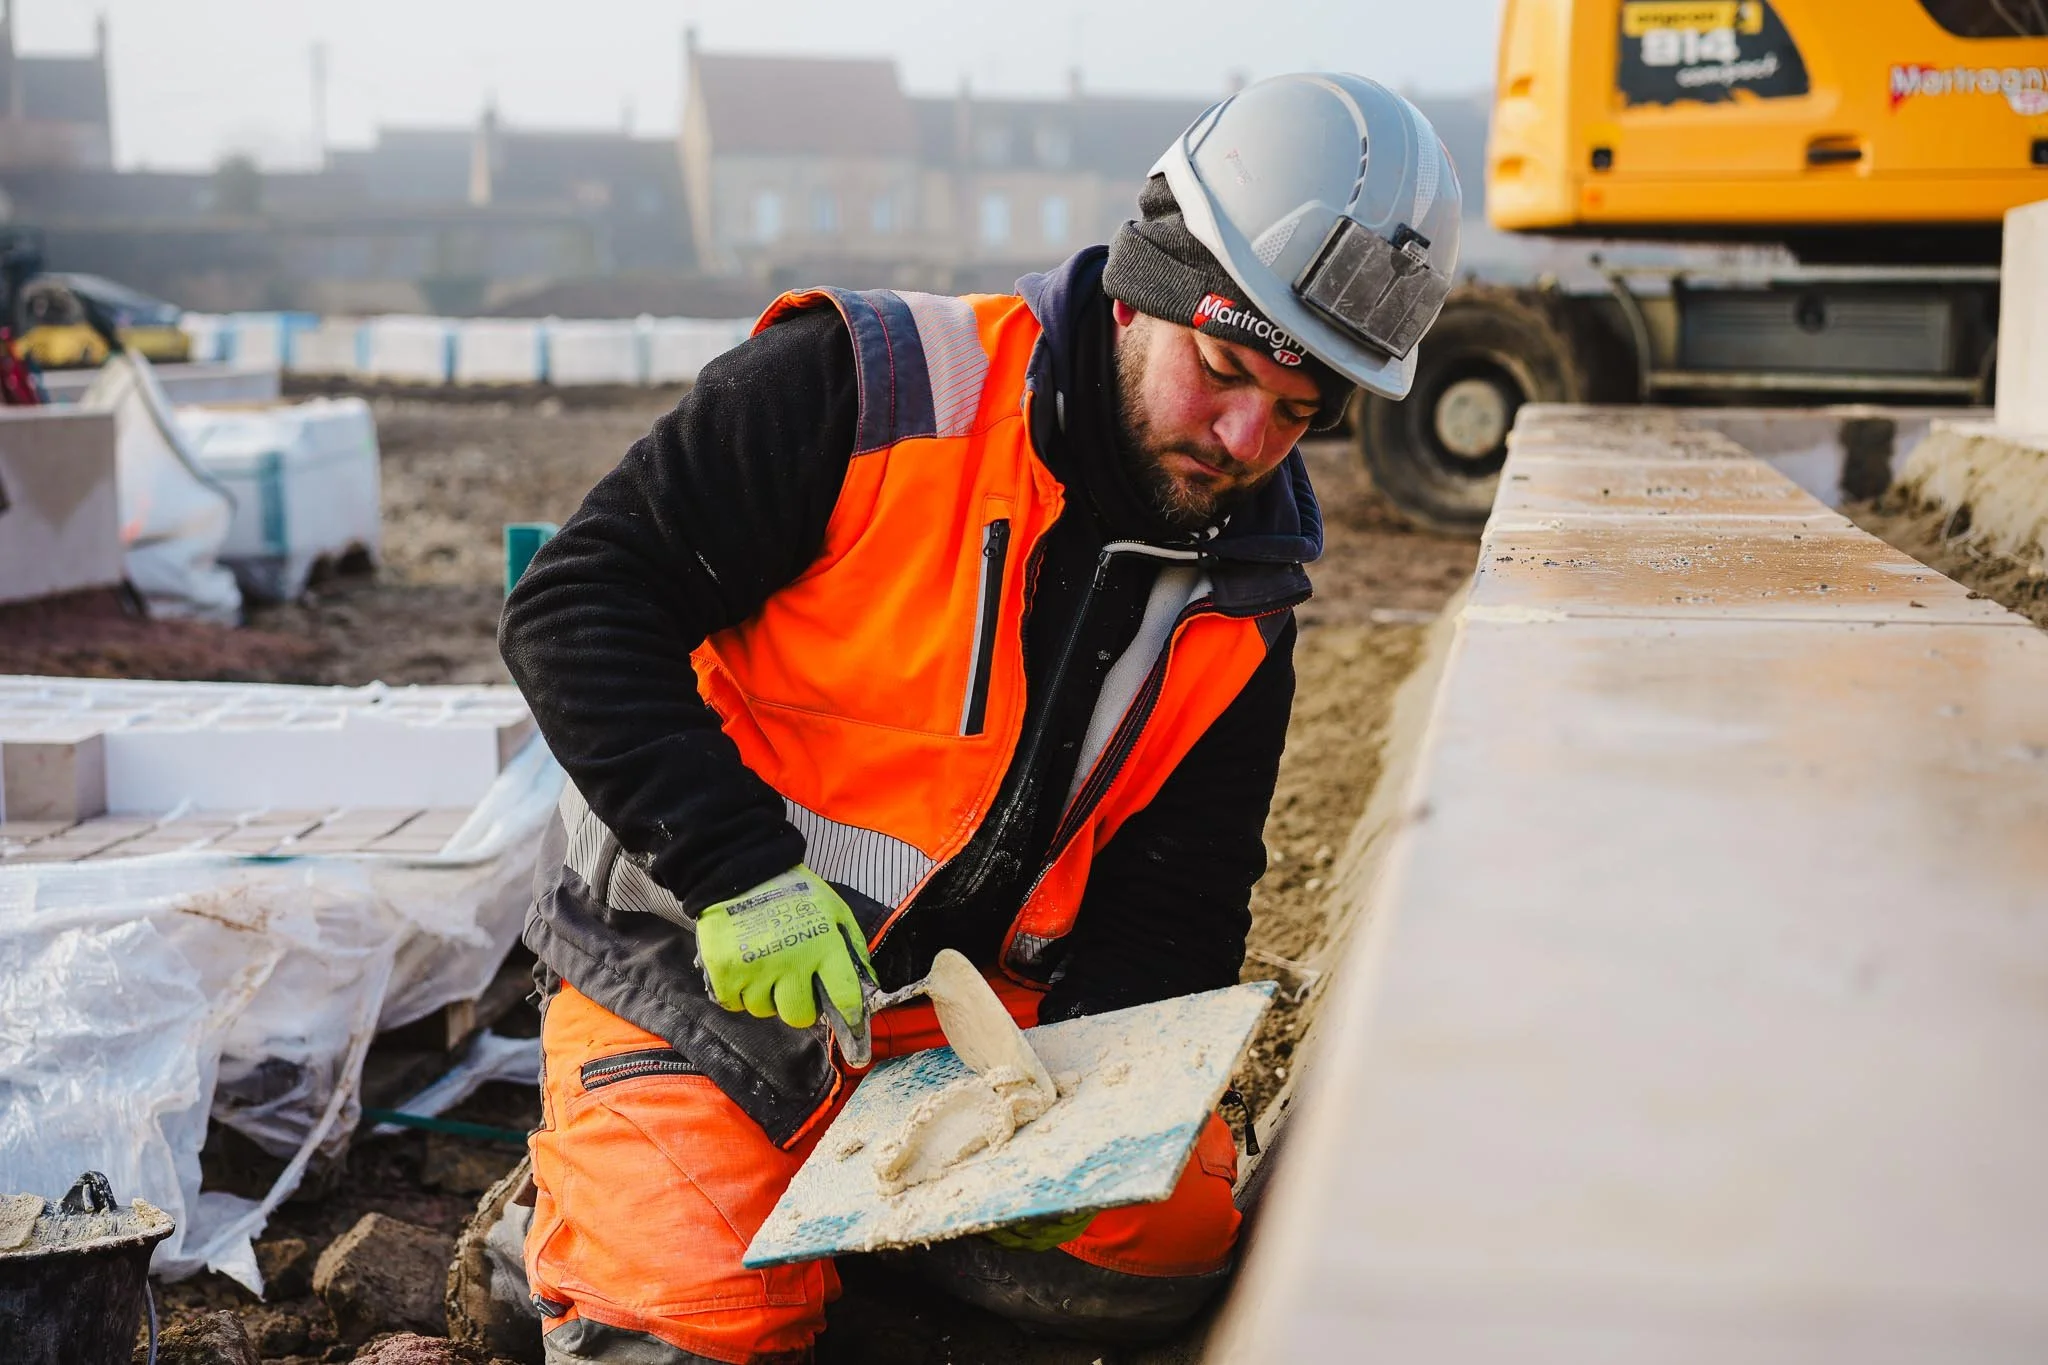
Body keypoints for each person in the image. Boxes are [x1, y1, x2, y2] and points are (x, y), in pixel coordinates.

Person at [496, 71, 1461, 1365]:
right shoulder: (869, 387)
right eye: (1225, 370)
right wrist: (736, 873)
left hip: (958, 1030)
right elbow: (576, 603)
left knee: (1159, 1243)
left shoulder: (1244, 591)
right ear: (1143, 292)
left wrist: (1087, 1123)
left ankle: (840, 1236)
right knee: (691, 1329)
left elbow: (1179, 897)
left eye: (1298, 416)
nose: (1242, 438)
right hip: (704, 980)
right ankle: (563, 1233)